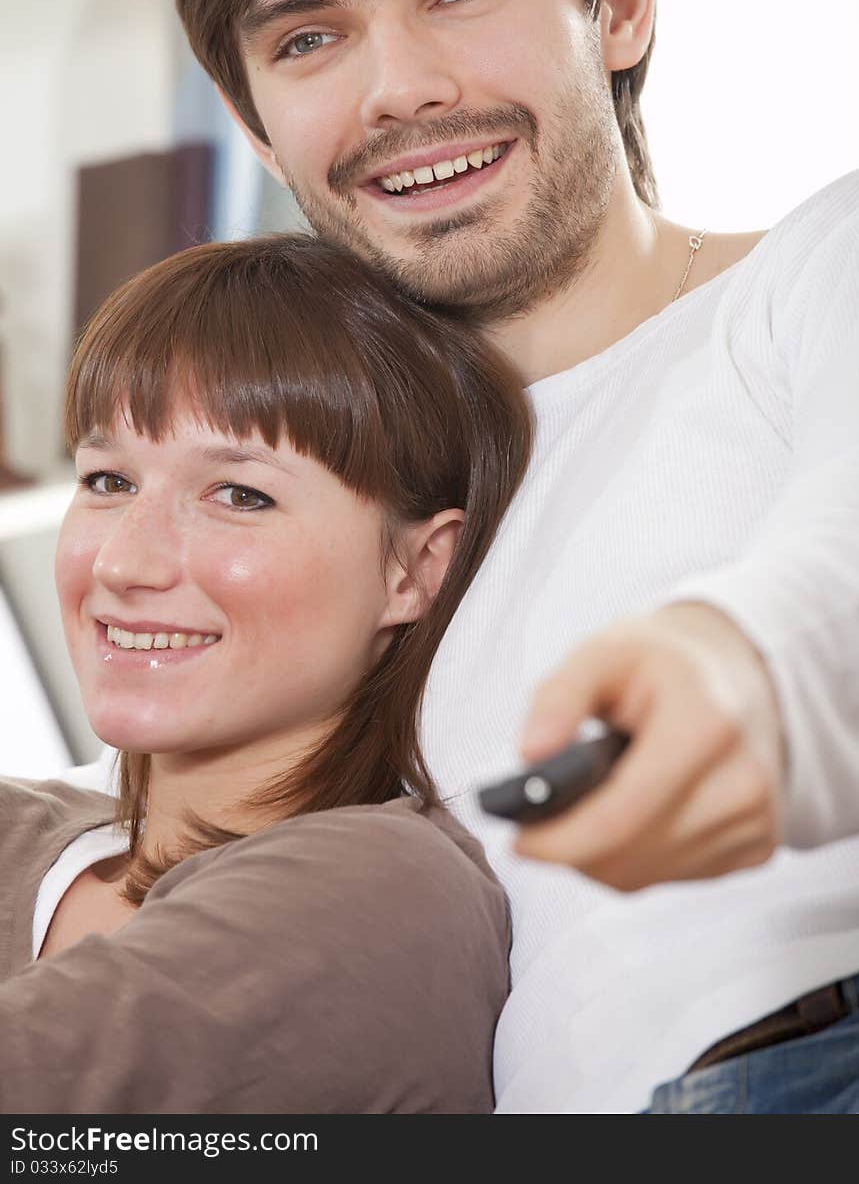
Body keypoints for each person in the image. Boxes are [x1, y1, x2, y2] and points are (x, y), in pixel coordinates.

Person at [160, 0, 859, 1113]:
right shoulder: (346, 538)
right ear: (251, 118)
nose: (401, 88)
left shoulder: (832, 266)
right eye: (311, 34)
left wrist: (735, 668)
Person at [0, 234, 533, 1113]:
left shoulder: (383, 894)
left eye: (240, 495)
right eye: (107, 479)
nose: (124, 564)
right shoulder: (24, 829)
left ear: (411, 570)